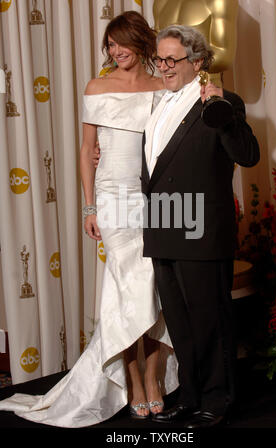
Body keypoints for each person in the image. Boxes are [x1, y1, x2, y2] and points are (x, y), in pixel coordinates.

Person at [0, 11, 178, 428]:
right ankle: (133, 379)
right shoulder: (96, 87)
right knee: (127, 288)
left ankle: (153, 376)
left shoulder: (160, 87)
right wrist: (89, 207)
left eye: (124, 44)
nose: (117, 52)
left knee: (153, 290)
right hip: (113, 198)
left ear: (142, 44)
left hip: (154, 198)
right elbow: (86, 151)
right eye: (111, 45)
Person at [141, 25, 260, 428]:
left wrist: (226, 115)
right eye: (160, 58)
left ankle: (218, 400)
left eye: (173, 59)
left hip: (201, 229)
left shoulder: (220, 102)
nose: (164, 66)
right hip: (163, 225)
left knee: (210, 321)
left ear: (197, 63)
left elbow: (248, 155)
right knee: (181, 324)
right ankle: (192, 398)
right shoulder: (159, 104)